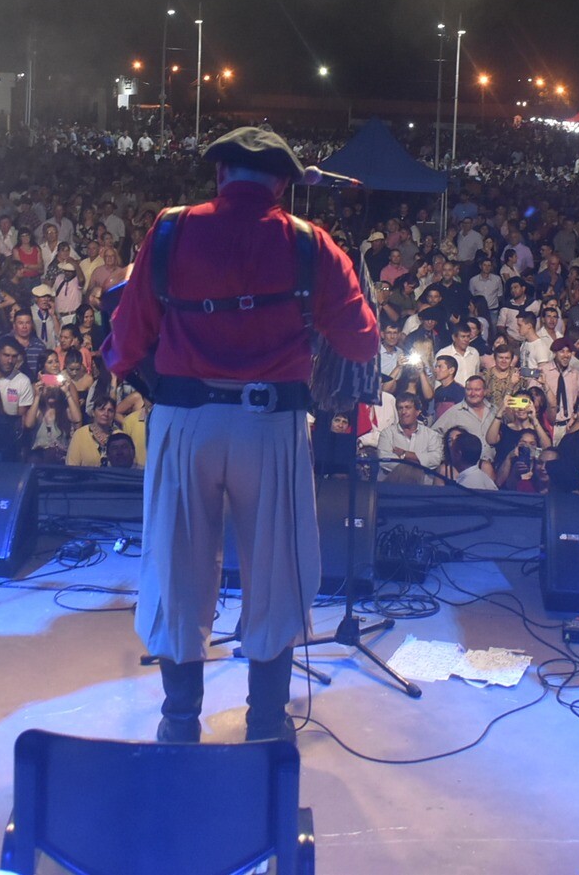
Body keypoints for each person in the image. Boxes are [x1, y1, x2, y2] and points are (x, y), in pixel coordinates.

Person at [104, 127, 378, 745]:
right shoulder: (311, 242)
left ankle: (179, 724)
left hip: (184, 422)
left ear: (221, 174)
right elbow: (361, 342)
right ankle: (266, 723)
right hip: (271, 426)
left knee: (177, 566)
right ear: (284, 182)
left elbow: (126, 342)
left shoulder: (172, 228)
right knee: (276, 569)